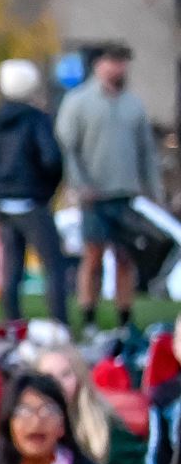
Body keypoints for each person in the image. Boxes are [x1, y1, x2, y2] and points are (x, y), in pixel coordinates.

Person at [55, 42, 165, 334]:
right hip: (94, 195)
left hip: (125, 193)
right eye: (113, 61)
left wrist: (152, 190)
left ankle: (124, 317)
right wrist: (80, 184)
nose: (118, 68)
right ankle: (89, 315)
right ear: (99, 64)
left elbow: (146, 152)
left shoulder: (133, 104)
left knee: (125, 257)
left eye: (122, 62)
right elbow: (68, 148)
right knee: (93, 257)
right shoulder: (79, 102)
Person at [0, 60, 69, 328]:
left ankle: (12, 324)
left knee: (12, 266)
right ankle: (59, 324)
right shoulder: (35, 119)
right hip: (31, 200)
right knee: (53, 265)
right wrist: (46, 191)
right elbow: (51, 159)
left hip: (3, 202)